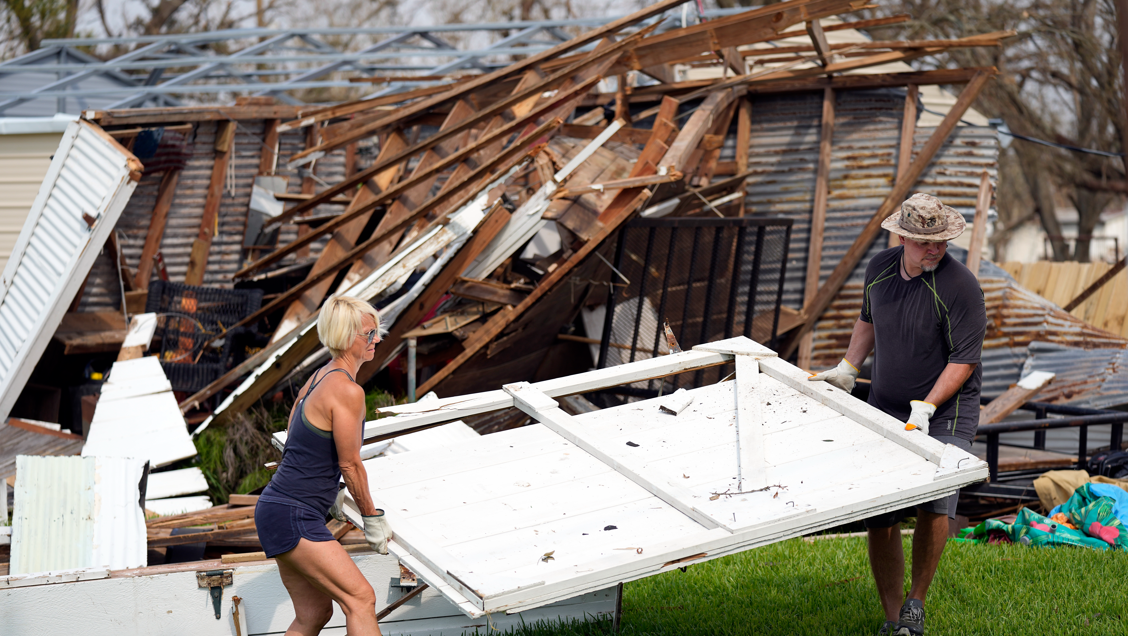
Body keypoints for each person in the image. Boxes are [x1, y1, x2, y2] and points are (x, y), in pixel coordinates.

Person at [809, 193, 986, 636]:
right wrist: (849, 368)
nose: (936, 250)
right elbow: (868, 320)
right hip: (886, 405)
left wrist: (926, 407)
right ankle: (892, 618)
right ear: (902, 237)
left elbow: (963, 361)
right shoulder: (878, 270)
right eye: (926, 242)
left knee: (934, 500)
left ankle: (916, 604)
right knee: (881, 511)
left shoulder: (961, 286)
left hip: (945, 411)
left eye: (942, 242)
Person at [254, 295, 393, 636]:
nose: (376, 339)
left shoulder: (318, 377)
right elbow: (350, 464)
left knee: (313, 613)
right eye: (369, 333)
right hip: (293, 513)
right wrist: (372, 518)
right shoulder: (347, 390)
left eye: (377, 331)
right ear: (347, 337)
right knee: (361, 599)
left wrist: (325, 490)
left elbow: (295, 439)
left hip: (276, 508)